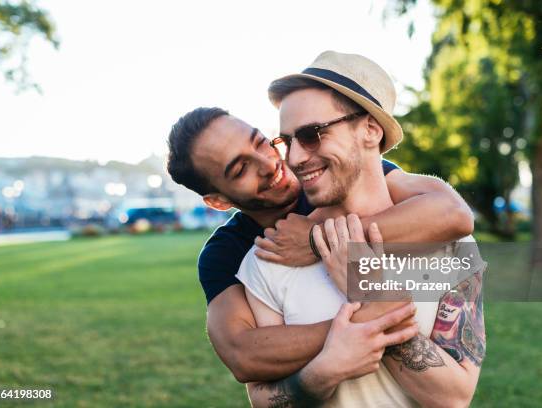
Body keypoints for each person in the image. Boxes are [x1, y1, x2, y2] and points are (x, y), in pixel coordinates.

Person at [165, 58, 475, 393]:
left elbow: (453, 214)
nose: (271, 163)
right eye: (241, 170)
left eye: (261, 142)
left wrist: (315, 241)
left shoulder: (336, 174)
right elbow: (243, 355)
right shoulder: (227, 252)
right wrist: (361, 324)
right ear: (218, 201)